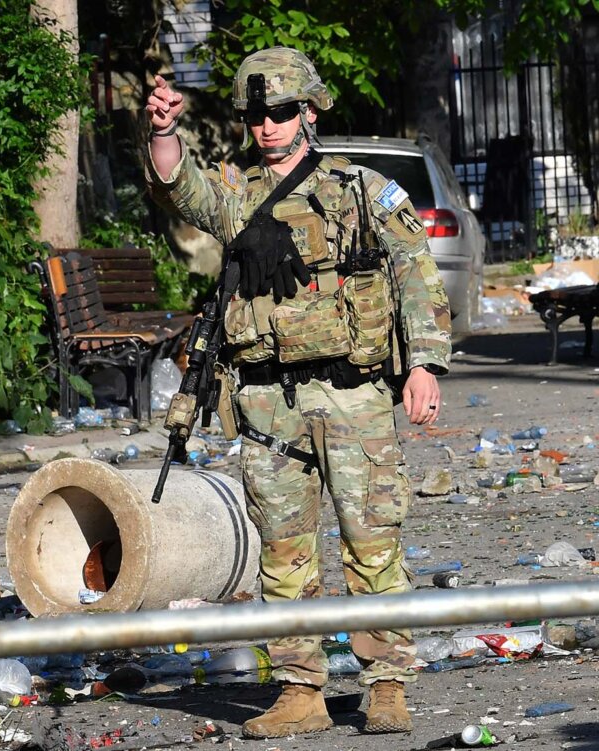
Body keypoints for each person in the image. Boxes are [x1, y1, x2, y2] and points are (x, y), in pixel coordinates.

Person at [145, 48, 451, 738]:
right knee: (283, 551)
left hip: (355, 397)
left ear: (309, 112)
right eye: (256, 114)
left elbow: (416, 278)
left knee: (373, 543)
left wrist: (425, 365)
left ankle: (387, 684)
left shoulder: (364, 192)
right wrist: (164, 132)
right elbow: (179, 189)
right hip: (266, 402)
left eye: (281, 111)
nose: (267, 125)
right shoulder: (237, 194)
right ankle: (300, 689)